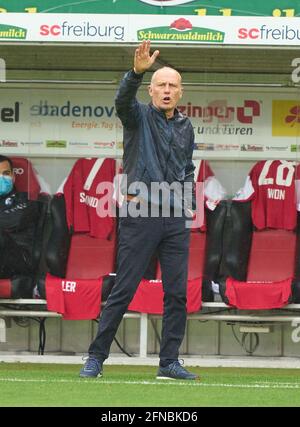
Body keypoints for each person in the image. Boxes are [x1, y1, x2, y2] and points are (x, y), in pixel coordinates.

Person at [80, 40, 198, 380]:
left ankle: (169, 363)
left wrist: (187, 202)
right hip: (140, 213)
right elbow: (121, 101)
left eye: (172, 85)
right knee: (125, 289)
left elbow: (187, 168)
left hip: (175, 218)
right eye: (160, 84)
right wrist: (134, 73)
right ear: (151, 90)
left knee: (176, 292)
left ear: (180, 93)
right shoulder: (137, 117)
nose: (166, 90)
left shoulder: (186, 126)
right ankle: (96, 358)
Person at [0, 155, 39, 279]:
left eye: (6, 173)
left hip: (20, 260)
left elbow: (12, 221)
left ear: (13, 177)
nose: (1, 178)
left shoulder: (26, 201)